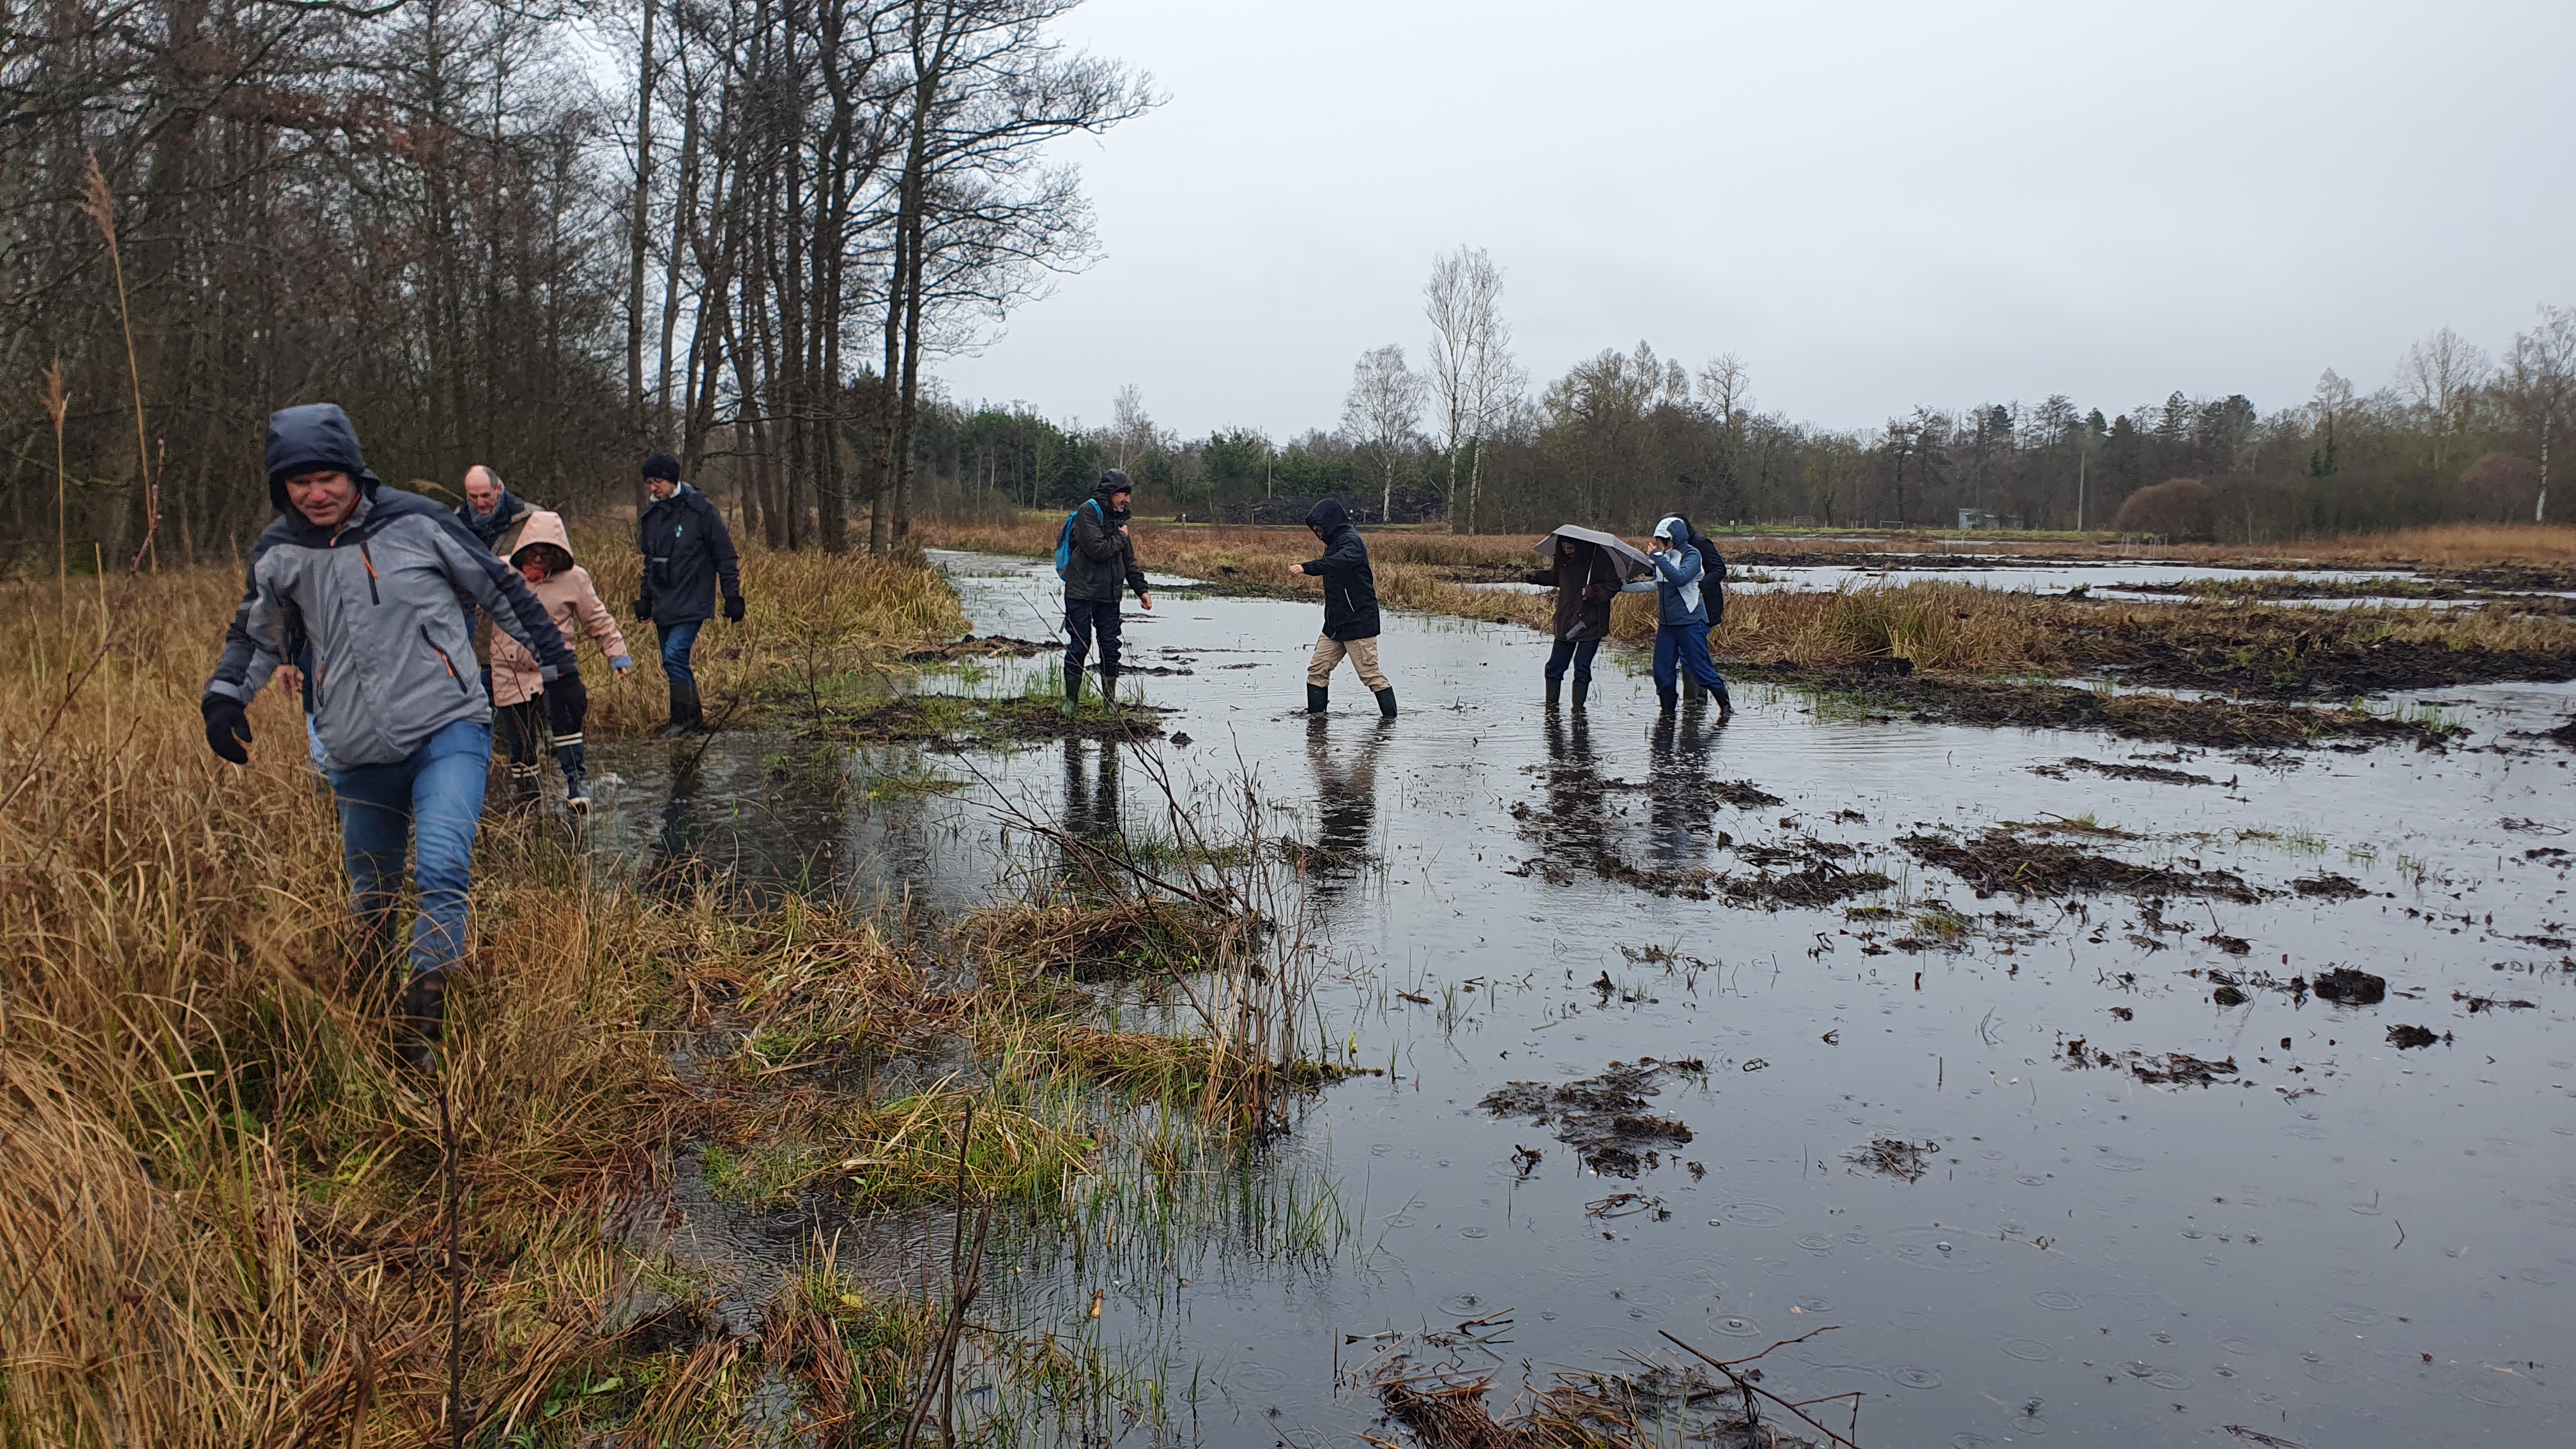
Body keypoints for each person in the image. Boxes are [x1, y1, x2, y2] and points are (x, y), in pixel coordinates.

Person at [200, 403, 578, 1070]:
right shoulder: (280, 552)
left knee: (440, 867)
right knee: (372, 897)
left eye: (328, 478)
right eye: (299, 483)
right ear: (281, 487)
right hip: (355, 748)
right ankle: (371, 1003)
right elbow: (255, 636)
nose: (317, 494)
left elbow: (502, 591)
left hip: (447, 727)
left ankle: (423, 1022)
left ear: (354, 472)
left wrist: (560, 668)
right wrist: (226, 696)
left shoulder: (417, 522)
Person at [489, 510, 635, 813]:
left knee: (567, 727)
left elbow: (598, 620)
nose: (538, 566)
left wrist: (616, 653)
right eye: (532, 558)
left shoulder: (575, 579)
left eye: (546, 559)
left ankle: (576, 785)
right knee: (521, 741)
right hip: (509, 670)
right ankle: (528, 798)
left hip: (557, 668)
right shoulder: (499, 572)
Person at [632, 452, 743, 737]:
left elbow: (725, 556)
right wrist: (645, 599)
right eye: (649, 483)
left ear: (672, 479)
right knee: (674, 662)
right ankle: (693, 722)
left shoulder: (702, 511)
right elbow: (649, 562)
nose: (653, 488)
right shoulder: (651, 515)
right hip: (663, 601)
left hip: (694, 598)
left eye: (658, 481)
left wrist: (732, 597)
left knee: (674, 656)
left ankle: (681, 724)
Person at [1288, 498, 1395, 717]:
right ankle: (1316, 723)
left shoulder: (1351, 543)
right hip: (1335, 624)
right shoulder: (1335, 543)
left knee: (1370, 676)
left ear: (1330, 522)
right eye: (1314, 531)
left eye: (1319, 529)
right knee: (1317, 671)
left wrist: (1307, 568)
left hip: (1359, 622)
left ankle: (1390, 724)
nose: (1317, 534)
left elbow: (1339, 562)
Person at [1061, 468, 1155, 709]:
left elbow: (1128, 560)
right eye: (1124, 494)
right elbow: (1098, 550)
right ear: (1111, 493)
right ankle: (1071, 701)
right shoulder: (1087, 513)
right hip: (1081, 593)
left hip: (1109, 596)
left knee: (1110, 648)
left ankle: (1109, 702)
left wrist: (1141, 590)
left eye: (1129, 495)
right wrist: (1122, 537)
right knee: (1080, 645)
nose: (1128, 500)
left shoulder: (1119, 521)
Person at [457, 464, 536, 698]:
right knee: (480, 680)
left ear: (499, 488)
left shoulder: (531, 518)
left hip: (517, 608)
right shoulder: (457, 521)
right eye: (473, 497)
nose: (480, 503)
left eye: (486, 496)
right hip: (472, 613)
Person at [1646, 515, 1733, 719]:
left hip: (1690, 622)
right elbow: (1656, 583)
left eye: (1664, 539)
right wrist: (1623, 586)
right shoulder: (1667, 556)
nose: (1661, 544)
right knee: (1662, 670)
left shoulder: (1693, 554)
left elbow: (1680, 578)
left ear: (1675, 537)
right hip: (1667, 624)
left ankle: (1724, 707)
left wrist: (1658, 557)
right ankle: (1668, 713)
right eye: (1659, 540)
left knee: (1698, 667)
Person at [1526, 530, 1621, 712]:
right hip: (1567, 620)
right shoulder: (1562, 560)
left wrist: (1593, 592)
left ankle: (1578, 712)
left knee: (1582, 666)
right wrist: (1536, 576)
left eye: (1570, 548)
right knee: (1554, 666)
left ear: (1579, 546)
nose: (1567, 551)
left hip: (1592, 623)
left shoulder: (1599, 559)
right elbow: (1557, 577)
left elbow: (1614, 586)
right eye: (1564, 547)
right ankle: (1551, 709)